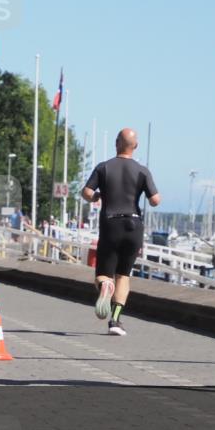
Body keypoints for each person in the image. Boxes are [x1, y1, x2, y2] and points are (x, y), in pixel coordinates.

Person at [81, 128, 161, 337]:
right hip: (134, 225)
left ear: (116, 143)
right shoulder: (142, 171)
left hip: (111, 224)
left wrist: (96, 197)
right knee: (124, 275)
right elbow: (155, 200)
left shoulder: (104, 167)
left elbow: (86, 192)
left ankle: (106, 285)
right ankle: (115, 321)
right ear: (136, 146)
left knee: (103, 274)